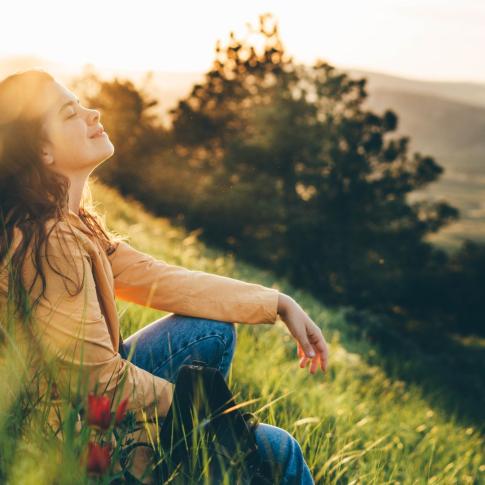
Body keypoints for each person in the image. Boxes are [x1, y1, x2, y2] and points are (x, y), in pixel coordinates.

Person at [0, 69, 329, 484]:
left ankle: (184, 457)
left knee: (210, 332)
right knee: (279, 448)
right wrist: (205, 416)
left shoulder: (68, 221)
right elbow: (96, 380)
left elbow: (160, 279)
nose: (93, 112)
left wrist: (277, 303)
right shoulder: (49, 239)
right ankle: (174, 462)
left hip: (81, 412)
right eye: (70, 113)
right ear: (43, 152)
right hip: (71, 445)